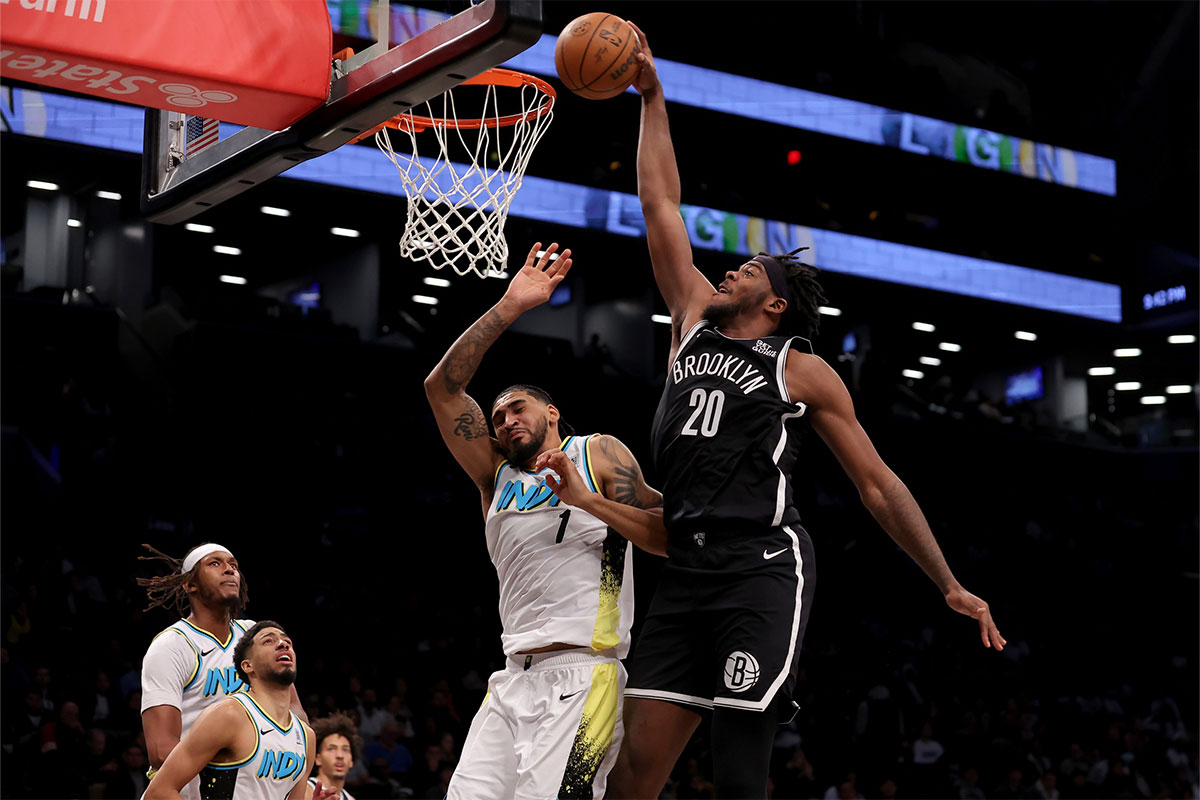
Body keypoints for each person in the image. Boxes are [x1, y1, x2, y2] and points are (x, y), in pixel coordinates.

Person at [607, 23, 1007, 799]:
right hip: (683, 569)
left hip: (760, 571)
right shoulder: (691, 317)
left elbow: (879, 484)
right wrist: (653, 95)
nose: (726, 268)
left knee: (737, 774)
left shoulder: (802, 368)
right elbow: (660, 201)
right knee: (633, 774)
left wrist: (947, 581)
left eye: (747, 268)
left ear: (776, 302)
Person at [423, 242, 668, 800]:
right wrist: (510, 305)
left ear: (551, 414)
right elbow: (441, 390)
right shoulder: (494, 476)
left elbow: (671, 536)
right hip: (511, 679)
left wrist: (587, 501)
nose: (507, 420)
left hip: (586, 676)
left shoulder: (596, 452)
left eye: (518, 408)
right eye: (499, 414)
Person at [138, 543, 307, 799]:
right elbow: (161, 751)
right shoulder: (172, 646)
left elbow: (294, 716)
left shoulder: (254, 635)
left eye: (234, 565)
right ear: (190, 584)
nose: (229, 570)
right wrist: (233, 760)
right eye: (214, 563)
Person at [145, 621, 333, 800]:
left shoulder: (306, 737)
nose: (282, 644)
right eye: (268, 641)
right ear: (247, 666)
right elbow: (159, 791)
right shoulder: (229, 715)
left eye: (287, 642)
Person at [306, 712, 361, 800]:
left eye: (345, 749)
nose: (340, 756)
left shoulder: (350, 798)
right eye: (331, 749)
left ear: (351, 761)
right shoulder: (305, 791)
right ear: (317, 758)